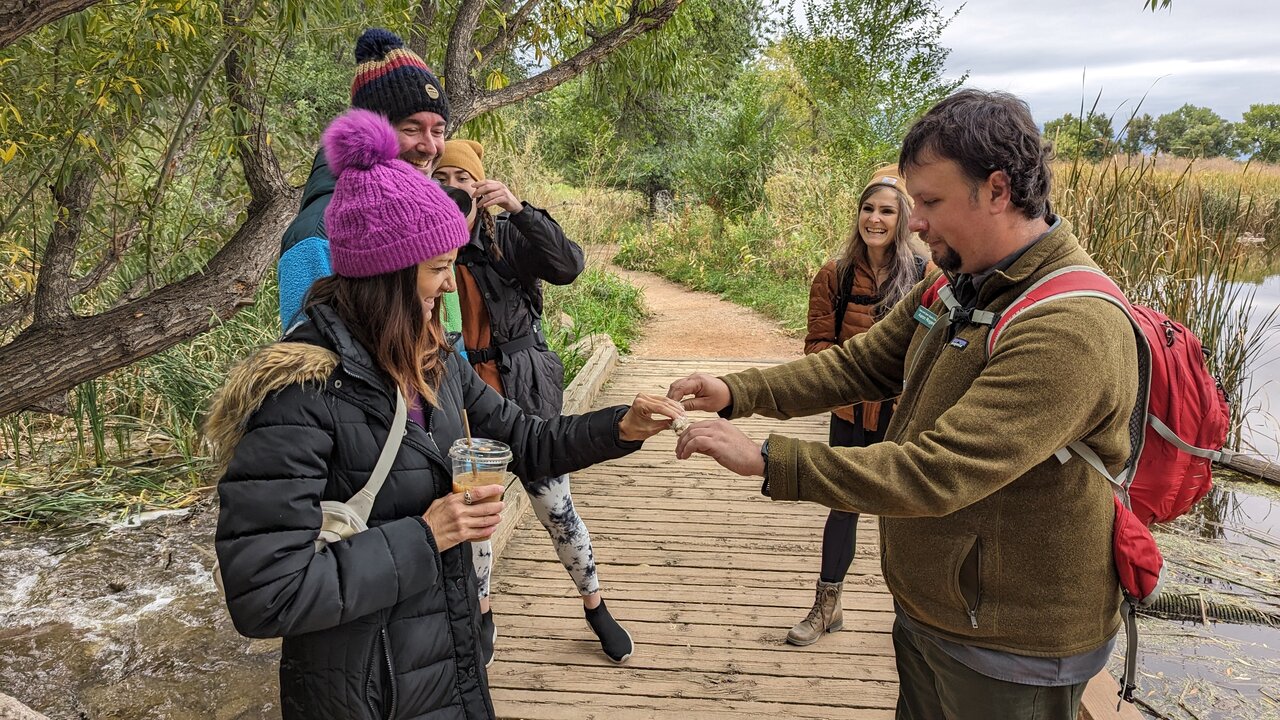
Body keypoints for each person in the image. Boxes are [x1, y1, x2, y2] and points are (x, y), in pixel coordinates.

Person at [667, 89, 1139, 720]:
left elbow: (937, 471)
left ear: (998, 190)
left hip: (1010, 645)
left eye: (932, 202)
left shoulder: (1069, 327)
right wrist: (739, 392)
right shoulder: (954, 283)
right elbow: (860, 364)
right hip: (932, 612)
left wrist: (769, 460)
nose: (914, 223)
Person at [207, 108, 684, 720]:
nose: (450, 286)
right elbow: (266, 594)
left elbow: (527, 439)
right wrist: (426, 535)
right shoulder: (299, 395)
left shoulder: (432, 362)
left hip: (445, 667)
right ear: (385, 276)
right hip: (364, 695)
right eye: (437, 269)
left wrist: (622, 426)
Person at [432, 139, 634, 664]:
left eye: (463, 178)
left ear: (480, 184)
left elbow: (568, 265)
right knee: (477, 518)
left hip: (524, 397)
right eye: (442, 177)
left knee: (557, 510)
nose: (453, 187)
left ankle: (595, 604)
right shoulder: (429, 245)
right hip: (467, 408)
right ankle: (482, 615)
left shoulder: (505, 236)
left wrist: (518, 209)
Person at [788, 165, 931, 646]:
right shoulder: (836, 273)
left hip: (901, 413)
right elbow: (817, 345)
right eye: (868, 209)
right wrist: (844, 384)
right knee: (842, 504)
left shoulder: (926, 276)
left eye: (887, 211)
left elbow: (933, 347)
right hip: (849, 412)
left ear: (903, 217)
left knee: (906, 514)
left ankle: (917, 623)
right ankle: (827, 607)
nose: (875, 218)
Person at [277, 27, 454, 333]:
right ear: (370, 134)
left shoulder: (427, 215)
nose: (430, 146)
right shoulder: (318, 232)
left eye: (437, 131)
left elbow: (446, 330)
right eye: (411, 129)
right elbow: (307, 352)